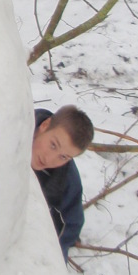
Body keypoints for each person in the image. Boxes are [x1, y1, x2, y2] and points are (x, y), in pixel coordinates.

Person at [31, 104, 93, 262]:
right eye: (53, 145)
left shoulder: (65, 182)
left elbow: (69, 227)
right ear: (45, 125)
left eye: (63, 157)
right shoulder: (10, 127)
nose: (49, 159)